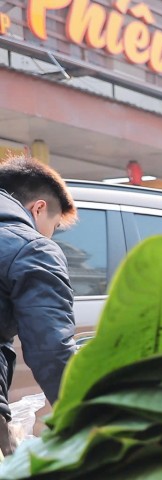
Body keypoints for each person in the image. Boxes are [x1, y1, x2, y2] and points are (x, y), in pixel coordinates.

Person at [0, 155, 77, 455]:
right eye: (54, 226)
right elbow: (52, 350)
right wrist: (87, 420)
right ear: (39, 208)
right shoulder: (31, 247)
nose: (49, 234)